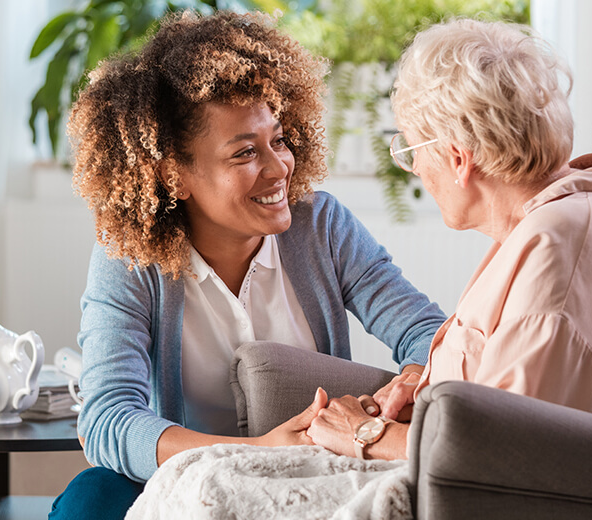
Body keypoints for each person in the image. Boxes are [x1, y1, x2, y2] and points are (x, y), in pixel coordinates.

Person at [49, 11, 448, 520]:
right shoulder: (130, 261)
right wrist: (255, 451)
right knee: (91, 498)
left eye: (278, 140)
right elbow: (108, 419)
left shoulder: (321, 227)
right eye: (244, 154)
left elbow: (425, 331)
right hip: (184, 484)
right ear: (174, 175)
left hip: (308, 478)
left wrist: (411, 380)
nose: (280, 166)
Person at [306, 19, 592, 461]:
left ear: (457, 158)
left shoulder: (563, 250)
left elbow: (505, 453)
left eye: (410, 150)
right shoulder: (562, 218)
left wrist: (366, 434)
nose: (417, 170)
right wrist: (429, 392)